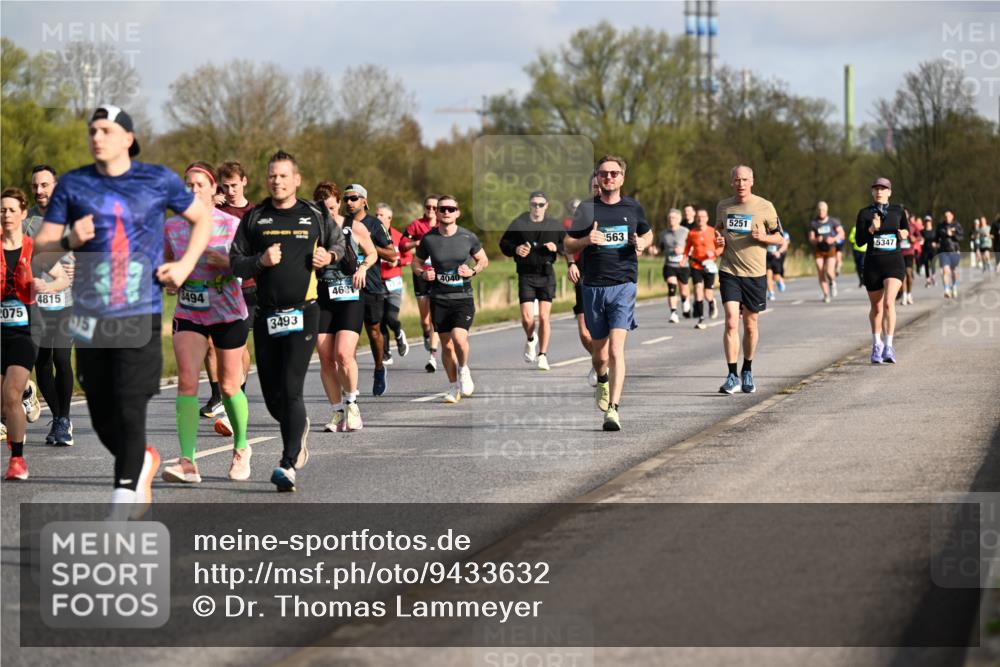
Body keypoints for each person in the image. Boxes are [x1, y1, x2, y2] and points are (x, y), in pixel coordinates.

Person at [33, 105, 215, 516]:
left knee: (131, 405)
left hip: (140, 310)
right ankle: (145, 459)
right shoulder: (74, 184)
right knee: (101, 413)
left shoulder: (157, 179)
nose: (97, 137)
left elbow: (201, 219)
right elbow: (41, 250)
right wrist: (68, 238)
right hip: (90, 315)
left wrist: (184, 265)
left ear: (128, 138)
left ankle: (120, 506)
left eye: (106, 130)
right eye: (93, 130)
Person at [230, 150, 345, 492]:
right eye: (272, 176)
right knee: (272, 396)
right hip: (265, 315)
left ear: (296, 180)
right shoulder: (255, 217)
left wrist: (330, 255)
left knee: (292, 387)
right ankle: (298, 428)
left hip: (303, 312)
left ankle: (287, 463)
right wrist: (260, 261)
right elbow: (235, 263)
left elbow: (340, 247)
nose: (277, 181)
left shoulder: (314, 213)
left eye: (283, 176)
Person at [161, 162, 251, 484]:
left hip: (227, 312)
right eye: (188, 185)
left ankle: (241, 449)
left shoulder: (231, 225)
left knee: (228, 385)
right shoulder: (172, 228)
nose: (193, 190)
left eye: (200, 184)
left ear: (215, 190)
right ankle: (187, 462)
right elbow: (166, 264)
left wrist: (227, 262)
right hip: (189, 312)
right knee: (187, 381)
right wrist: (170, 278)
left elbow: (251, 266)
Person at [565, 155, 652, 431]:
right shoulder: (587, 209)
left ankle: (613, 410)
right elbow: (567, 244)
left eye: (614, 173)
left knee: (616, 349)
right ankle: (602, 379)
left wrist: (642, 242)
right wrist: (585, 241)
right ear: (598, 178)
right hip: (593, 286)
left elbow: (648, 233)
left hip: (624, 284)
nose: (609, 178)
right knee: (600, 355)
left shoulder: (632, 207)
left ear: (622, 178)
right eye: (604, 174)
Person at [314, 182, 376, 433]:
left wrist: (362, 268)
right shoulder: (312, 230)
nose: (327, 213)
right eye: (321, 209)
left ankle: (352, 404)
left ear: (338, 203)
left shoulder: (354, 227)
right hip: (323, 296)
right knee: (325, 357)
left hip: (350, 295)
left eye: (330, 207)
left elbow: (372, 254)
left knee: (343, 354)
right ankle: (337, 411)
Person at [413, 195, 488, 404]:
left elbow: (483, 259)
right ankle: (453, 386)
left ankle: (463, 369)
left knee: (459, 338)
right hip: (439, 298)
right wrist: (422, 274)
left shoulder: (468, 237)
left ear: (457, 212)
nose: (446, 212)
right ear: (436, 213)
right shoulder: (429, 239)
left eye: (450, 209)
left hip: (463, 297)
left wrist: (472, 271)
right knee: (446, 346)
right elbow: (416, 263)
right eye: (442, 209)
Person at [716, 165, 784, 394]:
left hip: (755, 273)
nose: (741, 184)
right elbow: (718, 232)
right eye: (737, 180)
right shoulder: (723, 206)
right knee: (731, 321)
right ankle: (732, 374)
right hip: (729, 271)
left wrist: (764, 237)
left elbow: (780, 238)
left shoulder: (765, 206)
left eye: (745, 180)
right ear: (731, 182)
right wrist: (718, 241)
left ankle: (747, 370)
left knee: (750, 324)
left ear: (752, 181)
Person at [24, 165, 73, 444]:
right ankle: (58, 419)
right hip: (36, 301)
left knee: (61, 358)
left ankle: (63, 420)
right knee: (41, 362)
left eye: (45, 185)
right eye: (35, 186)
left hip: (68, 300)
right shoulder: (25, 221)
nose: (39, 190)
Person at [2, 188, 46, 479]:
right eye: (1, 210)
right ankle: (29, 390)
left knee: (10, 394)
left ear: (23, 213)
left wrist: (45, 285)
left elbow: (60, 278)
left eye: (10, 210)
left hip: (26, 330)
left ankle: (17, 460)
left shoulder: (35, 247)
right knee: (4, 403)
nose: (6, 215)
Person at [209, 160, 256, 433]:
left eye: (234, 185)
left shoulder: (253, 212)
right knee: (227, 350)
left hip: (249, 287)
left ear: (244, 182)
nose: (230, 191)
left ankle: (238, 395)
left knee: (241, 349)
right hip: (223, 287)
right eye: (225, 186)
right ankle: (235, 399)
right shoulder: (216, 209)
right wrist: (208, 205)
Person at [499, 190, 565, 370]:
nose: (537, 208)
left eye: (541, 205)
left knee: (544, 317)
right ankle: (530, 339)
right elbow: (504, 244)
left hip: (546, 273)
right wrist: (516, 249)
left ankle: (542, 355)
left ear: (547, 206)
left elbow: (568, 245)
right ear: (529, 205)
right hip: (526, 274)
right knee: (527, 318)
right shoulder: (519, 223)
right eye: (534, 204)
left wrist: (556, 247)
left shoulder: (554, 225)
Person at [343, 184, 397, 396]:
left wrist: (370, 246)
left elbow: (392, 254)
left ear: (364, 200)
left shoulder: (375, 224)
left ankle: (379, 368)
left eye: (353, 198)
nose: (349, 202)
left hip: (371, 285)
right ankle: (350, 384)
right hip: (346, 287)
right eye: (346, 199)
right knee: (348, 335)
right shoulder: (340, 223)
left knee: (374, 331)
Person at [853, 177, 908, 364]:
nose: (879, 192)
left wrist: (904, 234)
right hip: (873, 264)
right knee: (876, 307)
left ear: (889, 192)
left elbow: (906, 230)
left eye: (883, 189)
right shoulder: (864, 213)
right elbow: (859, 241)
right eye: (876, 189)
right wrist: (871, 229)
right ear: (872, 192)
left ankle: (889, 346)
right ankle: (877, 345)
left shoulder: (898, 211)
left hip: (894, 262)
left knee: (888, 303)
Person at [401, 194, 440, 373]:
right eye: (428, 207)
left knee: (435, 318)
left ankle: (432, 356)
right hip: (421, 273)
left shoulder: (443, 225)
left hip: (439, 273)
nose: (431, 210)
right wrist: (417, 242)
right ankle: (426, 334)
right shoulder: (417, 224)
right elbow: (402, 244)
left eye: (434, 207)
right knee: (425, 320)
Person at [563, 190, 596, 386]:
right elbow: (567, 244)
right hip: (583, 273)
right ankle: (598, 360)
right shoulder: (578, 218)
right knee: (585, 332)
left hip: (609, 277)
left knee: (605, 330)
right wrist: (570, 263)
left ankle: (602, 361)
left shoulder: (618, 211)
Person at [375, 203, 410, 365]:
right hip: (377, 283)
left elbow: (409, 258)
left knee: (390, 317)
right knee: (380, 320)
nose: (377, 217)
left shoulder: (397, 236)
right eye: (376, 214)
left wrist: (397, 263)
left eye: (381, 215)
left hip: (394, 283)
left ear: (389, 218)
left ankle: (398, 332)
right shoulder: (370, 235)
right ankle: (386, 353)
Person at [684, 208, 724, 330]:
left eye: (703, 217)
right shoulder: (692, 233)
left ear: (707, 218)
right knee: (697, 290)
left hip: (710, 266)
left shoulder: (713, 231)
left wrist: (715, 253)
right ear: (696, 219)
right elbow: (687, 248)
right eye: (699, 217)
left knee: (707, 294)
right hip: (696, 265)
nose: (701, 219)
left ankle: (711, 303)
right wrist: (683, 258)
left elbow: (721, 247)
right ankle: (701, 318)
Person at [808, 201, 844, 303]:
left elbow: (841, 233)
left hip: (830, 249)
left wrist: (833, 239)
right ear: (817, 211)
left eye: (823, 210)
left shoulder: (833, 221)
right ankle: (826, 294)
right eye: (819, 210)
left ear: (826, 210)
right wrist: (816, 240)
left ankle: (832, 282)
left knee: (829, 271)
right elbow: (811, 238)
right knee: (820, 272)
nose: (821, 212)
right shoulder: (814, 223)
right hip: (819, 250)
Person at [658, 208, 690, 323]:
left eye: (674, 218)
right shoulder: (663, 234)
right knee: (672, 287)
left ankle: (685, 301)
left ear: (679, 219)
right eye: (670, 218)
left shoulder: (685, 232)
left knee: (684, 290)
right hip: (669, 265)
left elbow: (692, 248)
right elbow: (660, 249)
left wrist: (682, 250)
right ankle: (673, 313)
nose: (671, 220)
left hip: (683, 265)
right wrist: (654, 251)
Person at [935, 209, 963, 299]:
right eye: (945, 216)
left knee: (954, 271)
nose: (947, 218)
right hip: (944, 252)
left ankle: (954, 286)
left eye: (948, 216)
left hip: (954, 250)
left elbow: (961, 237)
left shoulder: (957, 225)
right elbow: (936, 237)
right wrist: (935, 243)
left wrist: (952, 235)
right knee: (945, 270)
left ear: (952, 216)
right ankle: (946, 289)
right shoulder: (940, 226)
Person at [899, 214, 923, 305]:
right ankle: (904, 296)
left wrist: (915, 238)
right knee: (902, 275)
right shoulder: (897, 226)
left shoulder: (912, 226)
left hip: (909, 252)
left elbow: (920, 237)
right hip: (899, 253)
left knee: (908, 273)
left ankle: (909, 294)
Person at [766, 227, 790, 300]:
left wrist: (779, 252)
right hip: (767, 256)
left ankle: (779, 280)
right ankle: (771, 293)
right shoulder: (765, 233)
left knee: (775, 276)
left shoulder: (781, 233)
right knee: (768, 275)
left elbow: (785, 244)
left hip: (776, 257)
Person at [918, 215, 936, 287]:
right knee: (926, 265)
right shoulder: (922, 231)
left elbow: (938, 239)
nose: (927, 222)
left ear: (931, 222)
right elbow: (920, 240)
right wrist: (921, 241)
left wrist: (936, 243)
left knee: (933, 264)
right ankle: (928, 280)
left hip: (933, 250)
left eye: (928, 221)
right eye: (926, 221)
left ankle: (933, 277)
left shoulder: (934, 230)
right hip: (925, 250)